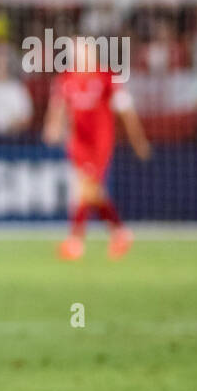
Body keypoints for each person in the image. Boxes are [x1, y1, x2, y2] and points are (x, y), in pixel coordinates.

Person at [42, 40, 151, 260]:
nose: (81, 58)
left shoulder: (108, 77)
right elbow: (58, 107)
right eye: (77, 54)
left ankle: (75, 241)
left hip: (100, 143)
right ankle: (120, 232)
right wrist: (52, 127)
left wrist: (138, 141)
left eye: (85, 53)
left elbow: (126, 111)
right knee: (91, 191)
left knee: (86, 189)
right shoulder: (66, 79)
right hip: (78, 143)